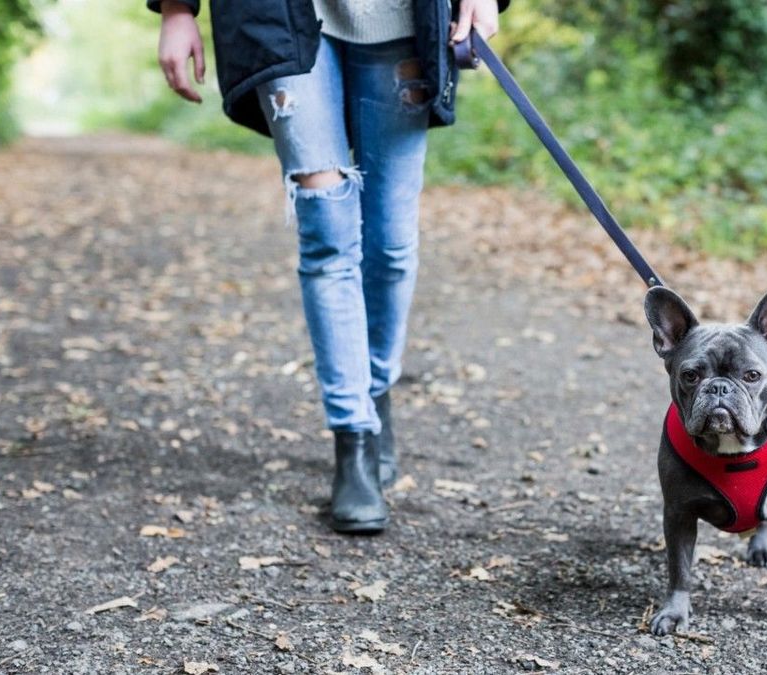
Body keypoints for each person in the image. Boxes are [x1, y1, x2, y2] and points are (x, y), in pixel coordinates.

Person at [150, 0, 506, 534]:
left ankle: (375, 390)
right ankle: (354, 439)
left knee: (389, 243)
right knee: (328, 238)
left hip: (402, 23)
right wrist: (176, 9)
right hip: (277, 21)